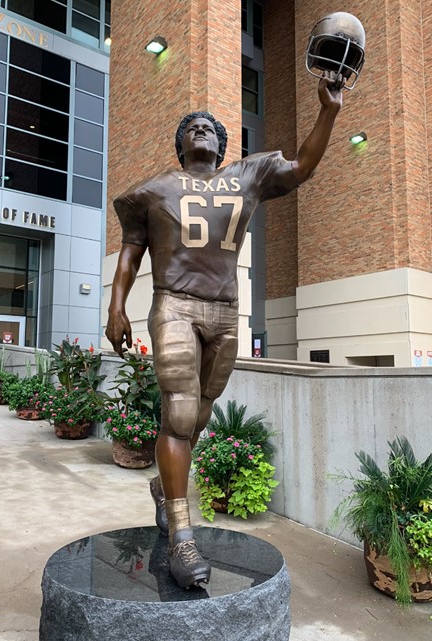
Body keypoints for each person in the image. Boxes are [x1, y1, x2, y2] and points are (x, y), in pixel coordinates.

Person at [105, 70, 347, 589]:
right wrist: (116, 306)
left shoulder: (248, 175)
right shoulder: (154, 191)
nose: (200, 129)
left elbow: (303, 164)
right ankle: (182, 533)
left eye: (208, 126)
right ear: (180, 145)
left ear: (222, 142)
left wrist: (329, 109)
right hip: (174, 305)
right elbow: (129, 255)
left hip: (225, 311)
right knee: (180, 412)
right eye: (190, 126)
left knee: (199, 416)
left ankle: (162, 490)